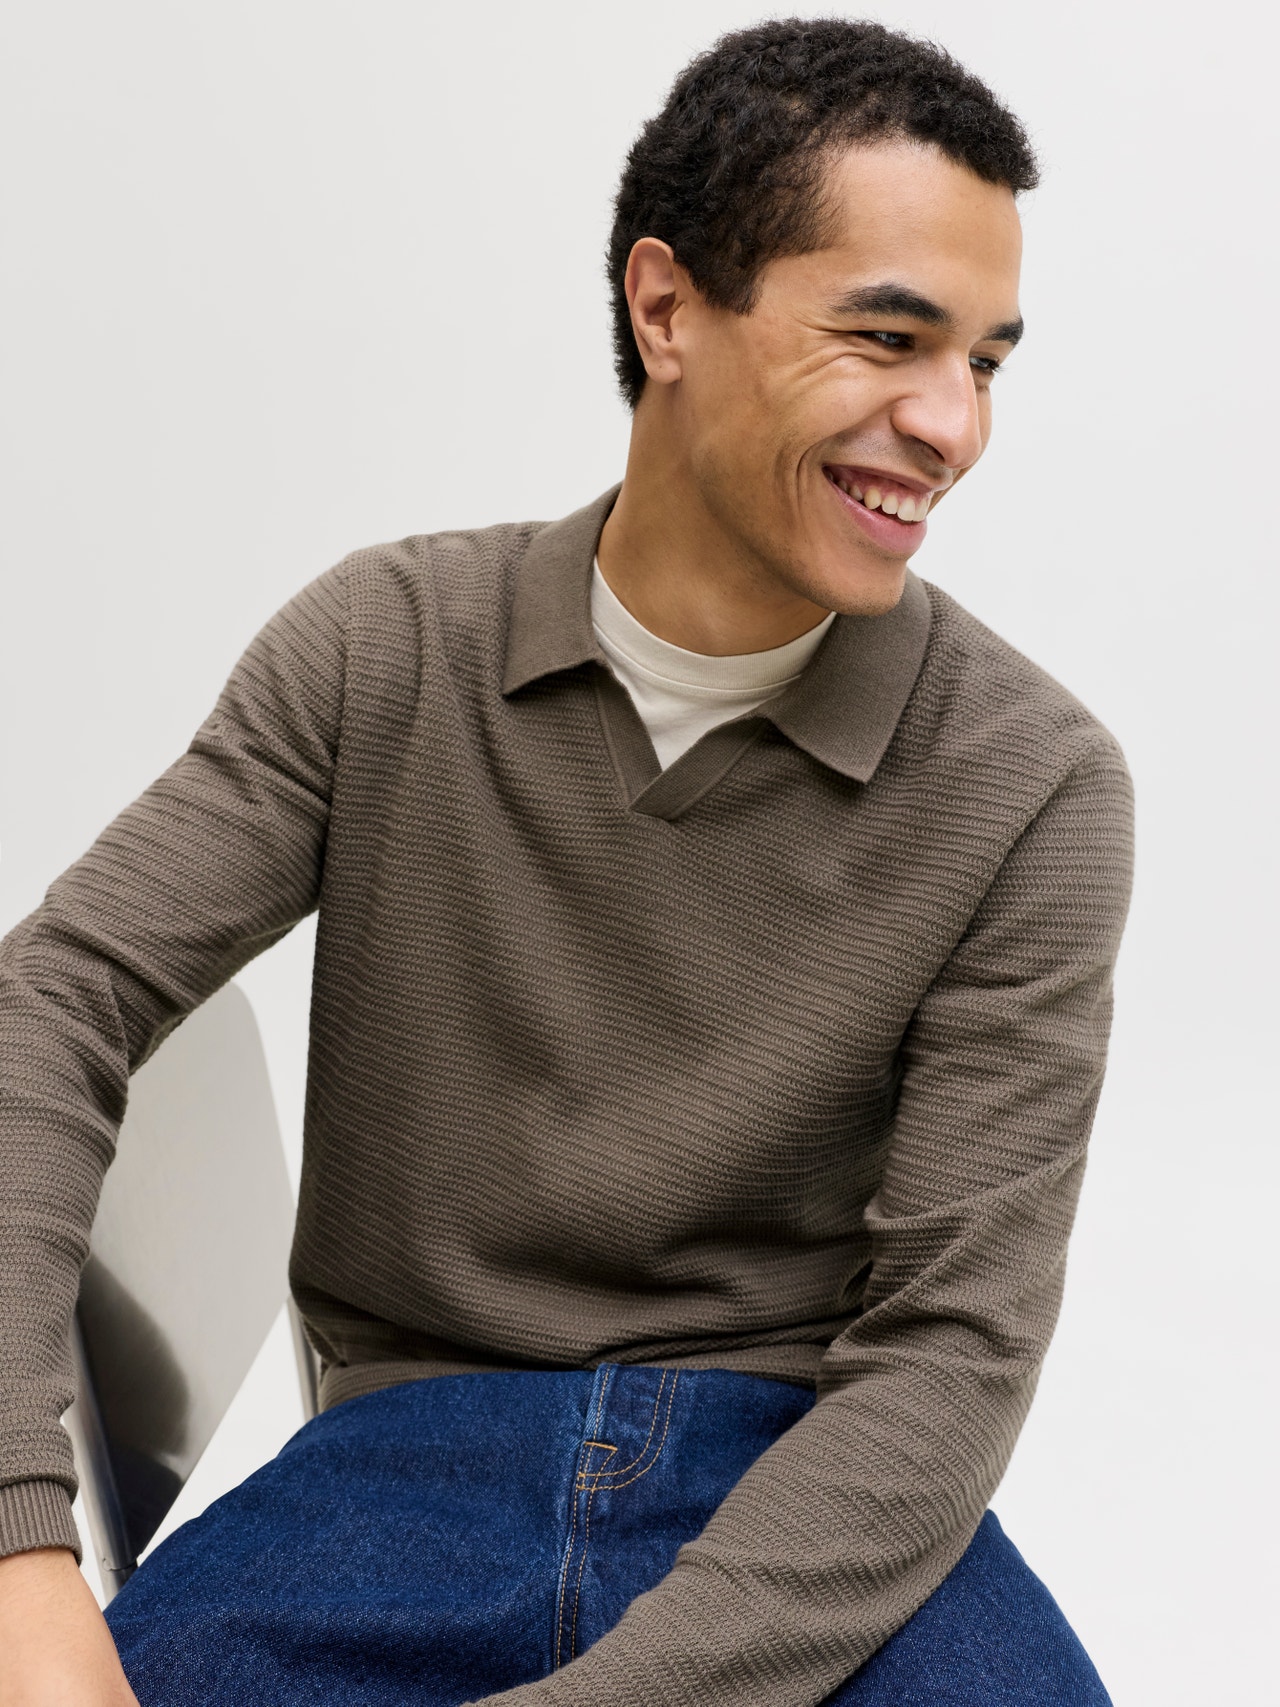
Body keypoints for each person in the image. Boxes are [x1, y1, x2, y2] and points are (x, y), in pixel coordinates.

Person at [0, 17, 1134, 1707]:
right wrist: (20, 1546)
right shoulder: (384, 647)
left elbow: (948, 1361)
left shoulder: (1033, 782)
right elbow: (53, 1008)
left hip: (819, 1505)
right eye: (890, 339)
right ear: (666, 308)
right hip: (399, 1470)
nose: (952, 423)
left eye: (987, 362)